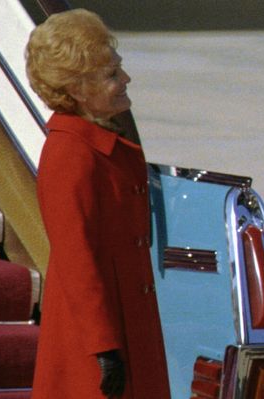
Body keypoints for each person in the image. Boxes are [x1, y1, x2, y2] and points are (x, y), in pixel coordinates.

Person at [25, 9, 170, 398]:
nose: (125, 79)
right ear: (76, 89)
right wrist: (103, 347)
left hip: (129, 326)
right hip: (94, 339)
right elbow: (77, 259)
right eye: (111, 75)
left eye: (118, 68)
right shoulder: (69, 153)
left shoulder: (102, 144)